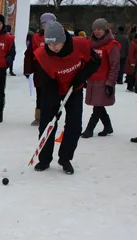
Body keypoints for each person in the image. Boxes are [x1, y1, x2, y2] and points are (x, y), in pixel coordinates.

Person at [33, 21, 101, 174]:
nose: (54, 47)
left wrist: (81, 76)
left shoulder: (80, 45)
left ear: (64, 39)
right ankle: (44, 159)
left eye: (57, 43)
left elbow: (96, 61)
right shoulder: (43, 56)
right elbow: (46, 82)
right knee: (48, 124)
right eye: (50, 44)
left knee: (74, 124)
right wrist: (55, 101)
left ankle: (65, 158)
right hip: (52, 90)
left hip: (74, 90)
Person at [82, 18, 120, 139]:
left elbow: (115, 65)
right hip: (92, 79)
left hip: (104, 81)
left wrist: (110, 83)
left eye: (99, 29)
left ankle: (89, 129)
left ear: (105, 30)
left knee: (97, 106)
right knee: (98, 105)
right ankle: (108, 126)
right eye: (94, 29)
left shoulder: (111, 45)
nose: (97, 31)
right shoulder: (90, 44)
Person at [24, 13, 57, 126]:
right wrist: (28, 70)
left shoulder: (59, 36)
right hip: (39, 69)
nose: (46, 26)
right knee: (40, 94)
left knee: (52, 94)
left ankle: (51, 115)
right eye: (44, 23)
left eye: (48, 23)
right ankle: (39, 117)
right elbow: (28, 54)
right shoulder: (35, 37)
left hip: (53, 69)